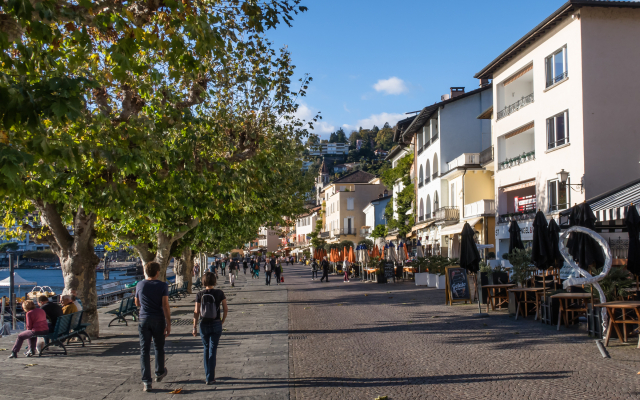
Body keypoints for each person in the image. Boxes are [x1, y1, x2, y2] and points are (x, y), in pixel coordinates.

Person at [135, 262, 171, 392]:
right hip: (158, 319)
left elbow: (137, 302)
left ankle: (146, 382)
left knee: (144, 350)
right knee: (159, 347)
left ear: (146, 272)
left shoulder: (140, 284)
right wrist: (168, 323)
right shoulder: (163, 285)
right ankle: (159, 371)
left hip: (144, 319)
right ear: (157, 272)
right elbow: (165, 305)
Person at [193, 272, 228, 385]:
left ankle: (208, 375)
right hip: (216, 323)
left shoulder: (199, 294)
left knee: (206, 348)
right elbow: (226, 308)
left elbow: (196, 312)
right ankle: (210, 377)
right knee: (213, 349)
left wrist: (194, 327)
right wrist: (222, 320)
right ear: (214, 281)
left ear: (203, 282)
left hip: (204, 324)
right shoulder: (219, 293)